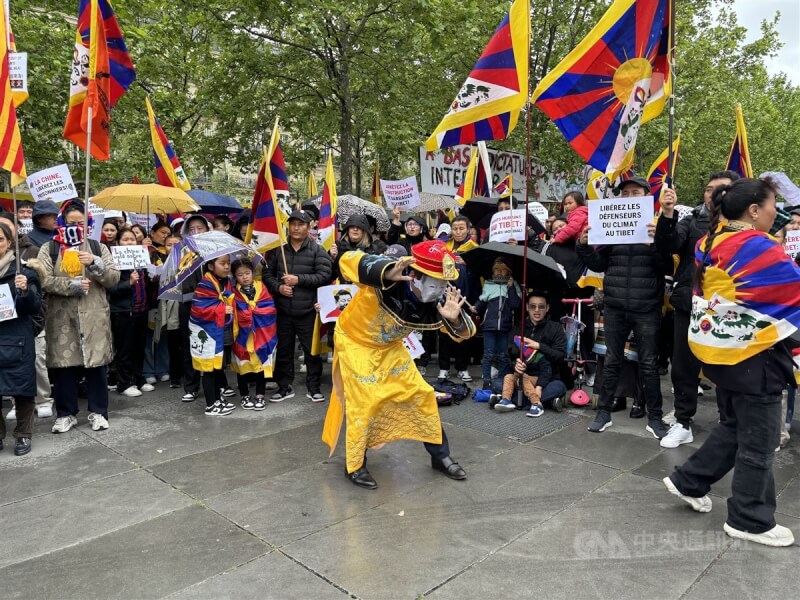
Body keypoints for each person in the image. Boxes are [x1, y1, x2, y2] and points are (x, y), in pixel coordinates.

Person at [664, 177, 798, 547]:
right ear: (754, 210)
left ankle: (688, 480)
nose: (777, 212)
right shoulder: (758, 246)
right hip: (756, 355)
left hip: (722, 353)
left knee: (735, 426)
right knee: (760, 441)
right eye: (773, 205)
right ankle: (749, 518)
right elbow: (793, 291)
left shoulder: (711, 239)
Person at [322, 240, 476, 489]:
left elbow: (465, 333)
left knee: (423, 394)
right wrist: (386, 268)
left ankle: (440, 457)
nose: (442, 288)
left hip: (390, 349)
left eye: (444, 282)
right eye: (436, 281)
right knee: (364, 403)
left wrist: (456, 319)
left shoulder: (437, 300)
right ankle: (355, 464)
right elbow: (347, 259)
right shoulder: (389, 279)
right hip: (355, 344)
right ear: (414, 275)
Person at [577, 176, 669, 439]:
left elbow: (667, 268)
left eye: (635, 192)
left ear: (646, 196)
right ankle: (603, 413)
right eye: (625, 193)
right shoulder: (612, 228)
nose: (629, 197)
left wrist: (657, 243)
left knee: (649, 364)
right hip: (616, 307)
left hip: (646, 308)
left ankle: (655, 417)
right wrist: (582, 245)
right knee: (612, 361)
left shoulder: (657, 227)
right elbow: (598, 263)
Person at [654, 171, 739, 448]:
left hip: (728, 309)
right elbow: (668, 245)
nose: (713, 194)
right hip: (690, 304)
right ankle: (683, 421)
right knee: (683, 366)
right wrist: (667, 213)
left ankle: (730, 422)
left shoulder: (746, 228)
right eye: (709, 188)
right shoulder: (690, 221)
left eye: (721, 189)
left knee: (726, 366)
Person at [38, 200, 120, 433]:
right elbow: (44, 279)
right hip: (62, 317)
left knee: (96, 366)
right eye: (71, 222)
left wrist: (95, 264)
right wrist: (70, 285)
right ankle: (66, 413)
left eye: (81, 223)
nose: (76, 226)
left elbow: (113, 278)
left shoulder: (97, 247)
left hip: (94, 316)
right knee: (64, 368)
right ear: (62, 222)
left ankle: (98, 412)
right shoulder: (50, 248)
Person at [264, 210, 332, 402]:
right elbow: (267, 275)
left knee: (312, 351)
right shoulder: (279, 250)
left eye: (300, 224)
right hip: (283, 310)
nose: (296, 228)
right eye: (292, 224)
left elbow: (324, 275)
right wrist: (279, 288)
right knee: (284, 350)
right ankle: (284, 387)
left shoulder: (317, 250)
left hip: (308, 311)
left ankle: (314, 387)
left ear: (309, 226)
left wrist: (298, 279)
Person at [0, 222, 40, 455]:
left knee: (22, 389)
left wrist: (25, 290)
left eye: (0, 240)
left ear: (8, 243)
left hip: (17, 339)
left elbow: (34, 307)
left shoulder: (23, 270)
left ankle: (23, 435)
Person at [494, 293, 568, 416]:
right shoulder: (519, 327)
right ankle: (540, 402)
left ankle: (515, 401)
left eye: (541, 306)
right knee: (497, 383)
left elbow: (560, 357)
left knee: (559, 387)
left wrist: (539, 346)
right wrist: (515, 365)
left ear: (547, 308)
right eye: (533, 306)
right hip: (519, 378)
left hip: (545, 379)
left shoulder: (556, 328)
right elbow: (508, 354)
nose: (537, 310)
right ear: (527, 307)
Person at [19, 199, 59, 417]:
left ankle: (48, 393)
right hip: (37, 301)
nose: (54, 219)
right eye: (51, 215)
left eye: (55, 215)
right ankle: (31, 397)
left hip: (58, 297)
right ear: (39, 218)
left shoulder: (59, 238)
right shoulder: (29, 242)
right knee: (36, 353)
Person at [190, 254, 237, 416]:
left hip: (218, 330)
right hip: (206, 332)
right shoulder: (205, 283)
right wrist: (223, 309)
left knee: (218, 368)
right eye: (222, 263)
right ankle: (211, 404)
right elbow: (198, 310)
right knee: (208, 369)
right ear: (211, 266)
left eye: (228, 263)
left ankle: (217, 398)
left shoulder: (225, 282)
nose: (226, 267)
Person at [107, 228, 151, 397]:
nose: (130, 242)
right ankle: (124, 382)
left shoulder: (141, 259)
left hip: (141, 309)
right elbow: (110, 288)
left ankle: (139, 379)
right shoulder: (113, 262)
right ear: (117, 243)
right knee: (125, 348)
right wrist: (129, 283)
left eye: (132, 239)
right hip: (124, 310)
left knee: (139, 347)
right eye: (125, 239)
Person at [231, 258, 277, 411]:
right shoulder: (232, 292)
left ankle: (260, 395)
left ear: (253, 273)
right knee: (242, 365)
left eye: (247, 273)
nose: (244, 277)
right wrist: (245, 313)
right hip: (242, 336)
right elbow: (231, 312)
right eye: (240, 275)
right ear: (234, 277)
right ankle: (244, 395)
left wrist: (255, 310)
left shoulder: (261, 288)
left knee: (260, 365)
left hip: (261, 334)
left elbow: (269, 307)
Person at [439, 215, 480, 382]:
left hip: (465, 297)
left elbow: (480, 272)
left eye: (461, 228)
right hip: (445, 295)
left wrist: (468, 263)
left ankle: (462, 368)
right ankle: (443, 368)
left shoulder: (474, 248)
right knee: (443, 332)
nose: (458, 232)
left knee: (462, 332)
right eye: (455, 228)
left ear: (468, 229)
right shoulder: (443, 246)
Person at [475, 258, 521, 389]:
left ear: (509, 273)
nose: (499, 273)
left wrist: (511, 288)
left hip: (505, 326)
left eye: (503, 270)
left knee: (503, 354)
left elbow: (515, 304)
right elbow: (482, 301)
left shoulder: (513, 285)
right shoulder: (489, 284)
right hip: (490, 325)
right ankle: (486, 379)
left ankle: (501, 378)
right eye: (497, 270)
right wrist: (475, 307)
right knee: (488, 353)